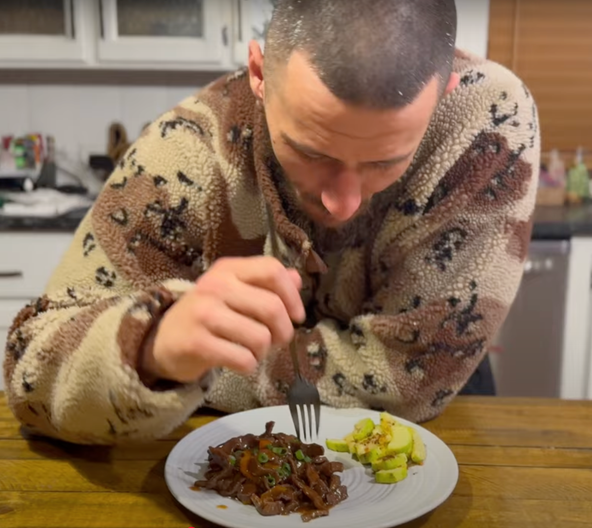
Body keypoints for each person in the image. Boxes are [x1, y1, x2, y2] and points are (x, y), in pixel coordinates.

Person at [3, 0, 539, 444]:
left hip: (433, 438)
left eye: (383, 161)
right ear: (259, 73)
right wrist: (153, 346)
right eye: (311, 151)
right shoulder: (188, 149)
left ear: (441, 96)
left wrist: (205, 369)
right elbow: (30, 367)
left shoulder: (487, 122)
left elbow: (416, 378)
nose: (342, 202)